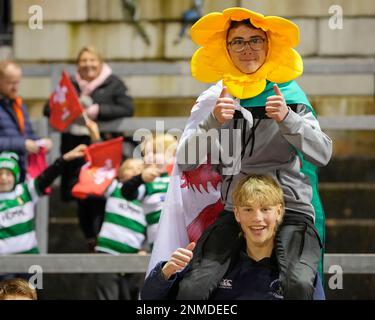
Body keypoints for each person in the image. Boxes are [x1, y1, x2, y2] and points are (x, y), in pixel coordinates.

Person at [167, 7, 332, 300]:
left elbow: (323, 153)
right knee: (192, 288)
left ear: (269, 46)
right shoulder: (216, 99)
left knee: (298, 284)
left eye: (256, 40)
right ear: (226, 48)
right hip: (236, 210)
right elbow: (185, 160)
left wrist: (287, 119)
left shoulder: (290, 97)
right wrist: (212, 121)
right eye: (238, 42)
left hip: (289, 209)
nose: (247, 49)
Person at [141, 174, 325, 300]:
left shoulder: (298, 270)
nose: (257, 218)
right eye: (248, 209)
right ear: (236, 214)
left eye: (265, 209)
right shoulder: (212, 262)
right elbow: (149, 299)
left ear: (279, 212)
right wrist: (165, 273)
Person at [44, 46, 134, 251]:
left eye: (92, 60)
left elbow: (127, 107)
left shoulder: (114, 83)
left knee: (101, 193)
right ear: (77, 65)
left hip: (103, 153)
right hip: (77, 152)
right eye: (83, 61)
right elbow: (48, 108)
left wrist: (97, 110)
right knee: (81, 196)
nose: (88, 65)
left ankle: (105, 240)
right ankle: (90, 241)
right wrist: (70, 110)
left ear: (100, 62)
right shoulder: (70, 85)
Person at [0, 145, 87, 255]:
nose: (3, 178)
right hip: (3, 266)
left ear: (16, 176)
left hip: (30, 261)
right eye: (0, 174)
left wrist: (64, 159)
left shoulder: (25, 191)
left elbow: (47, 177)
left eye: (8, 174)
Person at [0, 60, 52, 182]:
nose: (15, 87)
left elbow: (27, 134)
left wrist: (40, 142)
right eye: (10, 83)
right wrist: (22, 144)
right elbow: (22, 141)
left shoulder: (18, 104)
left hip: (18, 170)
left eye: (17, 82)